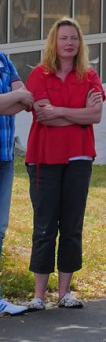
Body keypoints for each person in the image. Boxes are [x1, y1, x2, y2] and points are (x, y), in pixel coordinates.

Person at [25, 17, 105, 310]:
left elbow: (95, 116)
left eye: (74, 38)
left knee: (71, 225)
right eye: (63, 38)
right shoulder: (39, 75)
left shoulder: (90, 76)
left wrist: (60, 112)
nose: (69, 43)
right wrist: (78, 112)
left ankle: (64, 293)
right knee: (44, 226)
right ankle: (38, 296)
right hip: (43, 159)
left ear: (80, 43)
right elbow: (42, 115)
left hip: (79, 158)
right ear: (53, 43)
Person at [0, 52, 33, 315]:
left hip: (5, 156)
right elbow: (19, 97)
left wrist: (13, 99)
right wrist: (16, 98)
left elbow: (25, 98)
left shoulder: (3, 58)